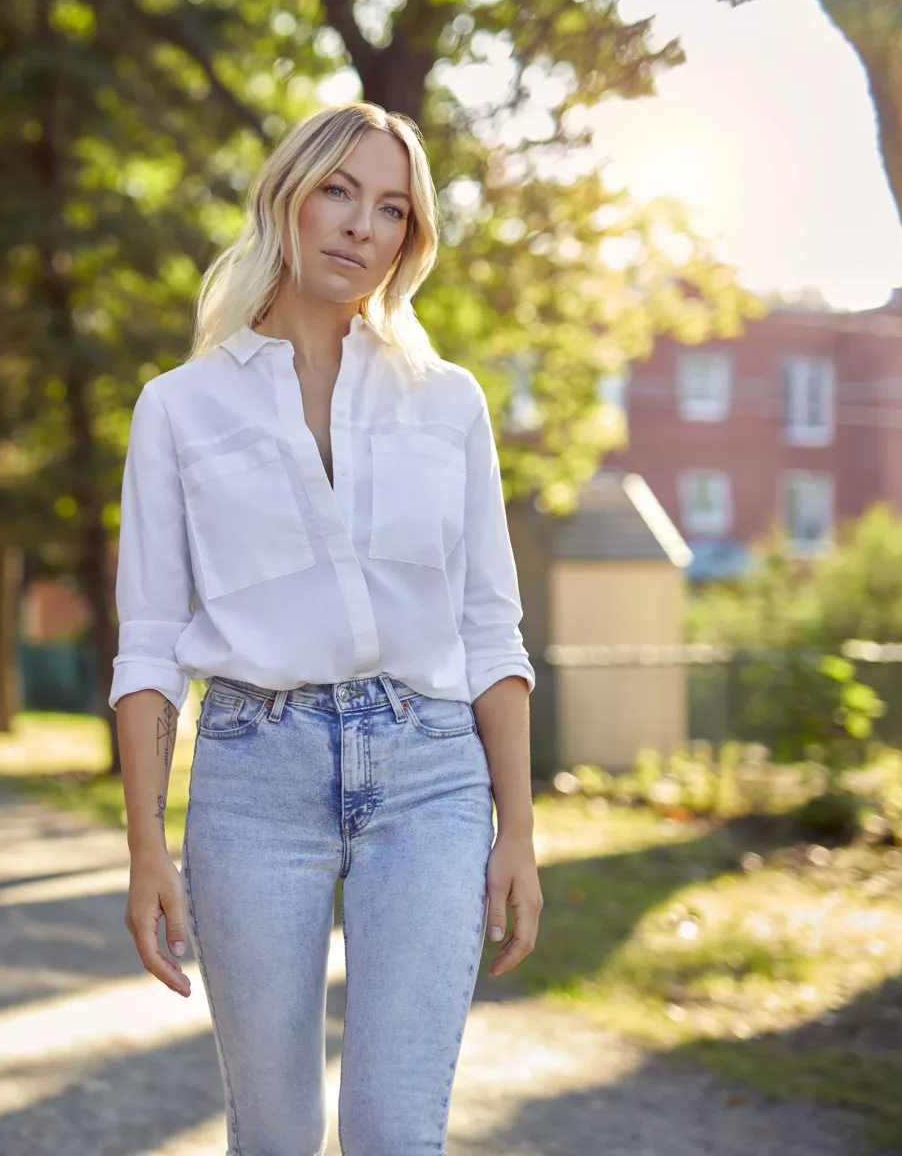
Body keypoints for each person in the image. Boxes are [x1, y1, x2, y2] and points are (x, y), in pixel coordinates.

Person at [109, 101, 542, 1155]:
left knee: (396, 1132)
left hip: (431, 775)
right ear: (288, 200)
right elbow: (150, 641)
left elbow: (491, 626)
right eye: (340, 191)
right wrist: (144, 849)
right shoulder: (179, 407)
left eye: (391, 208)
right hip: (256, 777)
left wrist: (519, 832)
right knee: (275, 1135)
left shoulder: (449, 403)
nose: (360, 225)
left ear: (409, 239)